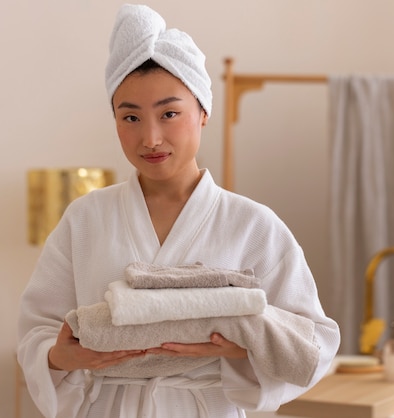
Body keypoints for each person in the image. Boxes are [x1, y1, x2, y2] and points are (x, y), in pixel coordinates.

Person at [17, 4, 340, 418]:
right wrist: (62, 359)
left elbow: (314, 343)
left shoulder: (253, 225)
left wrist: (245, 349)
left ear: (203, 113)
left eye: (169, 114)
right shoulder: (84, 219)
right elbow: (36, 333)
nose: (150, 138)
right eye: (130, 116)